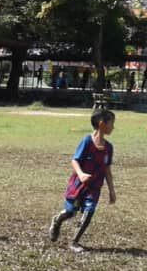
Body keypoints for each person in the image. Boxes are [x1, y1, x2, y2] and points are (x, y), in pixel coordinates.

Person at [48, 108, 117, 253]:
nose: (113, 127)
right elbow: (75, 160)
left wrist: (112, 190)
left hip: (94, 188)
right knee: (70, 212)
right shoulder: (87, 141)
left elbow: (107, 170)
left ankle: (74, 242)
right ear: (101, 124)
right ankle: (57, 221)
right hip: (78, 185)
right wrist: (81, 174)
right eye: (111, 123)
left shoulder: (109, 148)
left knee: (89, 212)